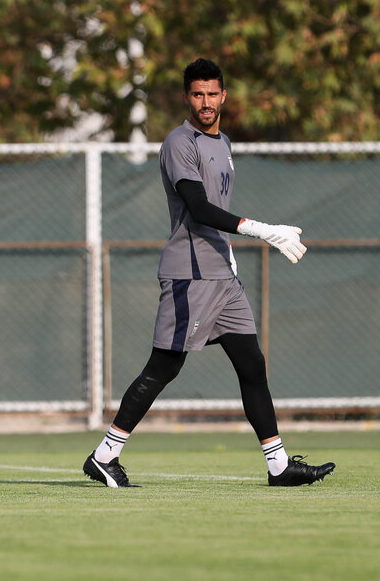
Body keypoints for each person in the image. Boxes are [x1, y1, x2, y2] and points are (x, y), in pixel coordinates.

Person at [84, 58, 335, 489]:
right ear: (187, 97)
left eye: (212, 93)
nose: (205, 101)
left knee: (252, 366)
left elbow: (215, 214)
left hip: (223, 277)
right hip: (191, 276)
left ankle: (278, 466)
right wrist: (263, 231)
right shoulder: (179, 143)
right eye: (197, 94)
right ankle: (105, 455)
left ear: (224, 96)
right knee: (164, 366)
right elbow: (199, 209)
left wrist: (233, 258)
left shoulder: (225, 142)